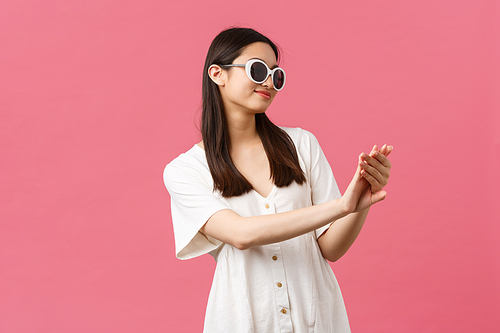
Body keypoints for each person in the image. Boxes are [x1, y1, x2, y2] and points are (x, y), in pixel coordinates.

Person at [163, 27, 393, 333]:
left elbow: (331, 249)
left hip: (318, 319)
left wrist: (361, 202)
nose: (269, 82)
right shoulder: (185, 170)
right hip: (243, 321)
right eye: (258, 70)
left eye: (276, 74)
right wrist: (341, 206)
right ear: (218, 74)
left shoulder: (301, 145)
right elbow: (240, 234)